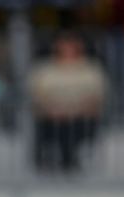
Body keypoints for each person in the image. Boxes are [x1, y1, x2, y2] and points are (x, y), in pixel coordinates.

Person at [29, 33, 107, 173]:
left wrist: (77, 109)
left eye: (71, 45)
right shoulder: (45, 69)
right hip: (52, 117)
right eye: (64, 45)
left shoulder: (91, 69)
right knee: (58, 125)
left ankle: (68, 161)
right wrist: (51, 109)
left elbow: (98, 95)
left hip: (82, 117)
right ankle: (55, 162)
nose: (67, 49)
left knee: (71, 125)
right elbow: (37, 94)